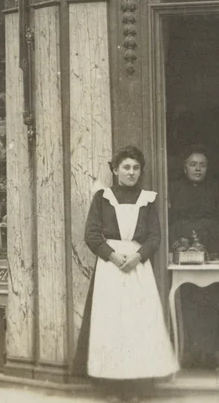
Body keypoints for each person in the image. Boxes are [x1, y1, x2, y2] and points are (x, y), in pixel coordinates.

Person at [73, 145, 178, 398]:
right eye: (126, 167)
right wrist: (112, 255)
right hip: (111, 268)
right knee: (111, 324)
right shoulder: (102, 197)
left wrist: (138, 257)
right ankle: (112, 386)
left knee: (138, 325)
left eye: (135, 168)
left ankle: (137, 387)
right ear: (115, 169)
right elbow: (91, 234)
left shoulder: (148, 199)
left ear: (140, 172)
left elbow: (154, 237)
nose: (131, 172)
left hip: (138, 268)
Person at [168, 146, 219, 369]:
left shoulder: (216, 189)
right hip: (183, 247)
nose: (197, 169)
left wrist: (207, 236)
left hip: (210, 245)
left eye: (202, 165)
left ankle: (209, 353)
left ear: (207, 168)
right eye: (193, 164)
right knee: (188, 300)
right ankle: (190, 353)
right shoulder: (174, 188)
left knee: (212, 300)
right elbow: (170, 220)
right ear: (185, 168)